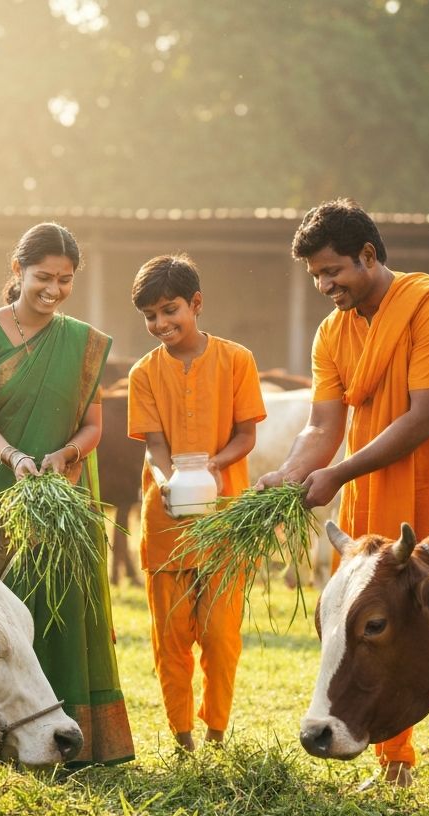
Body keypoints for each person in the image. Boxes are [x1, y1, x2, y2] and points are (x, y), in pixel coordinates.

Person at [256, 198, 429, 803]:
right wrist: (290, 473)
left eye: (333, 270)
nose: (324, 285)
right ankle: (394, 764)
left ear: (369, 253)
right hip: (370, 500)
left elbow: (425, 417)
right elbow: (322, 425)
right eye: (315, 275)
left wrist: (337, 474)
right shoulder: (332, 332)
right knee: (372, 631)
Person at [0, 222, 135, 767]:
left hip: (63, 493)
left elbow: (92, 426)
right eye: (42, 277)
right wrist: (15, 457)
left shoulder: (81, 343)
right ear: (18, 271)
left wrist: (66, 456)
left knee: (63, 608)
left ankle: (72, 736)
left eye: (65, 279)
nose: (53, 289)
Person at [127, 254, 266, 752]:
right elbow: (154, 445)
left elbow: (246, 434)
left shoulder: (237, 360)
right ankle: (183, 737)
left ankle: (216, 732)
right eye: (150, 316)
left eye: (170, 310)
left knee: (222, 637)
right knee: (171, 640)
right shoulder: (144, 373)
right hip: (165, 521)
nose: (160, 324)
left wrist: (212, 465)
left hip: (224, 518)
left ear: (197, 304)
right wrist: (167, 479)